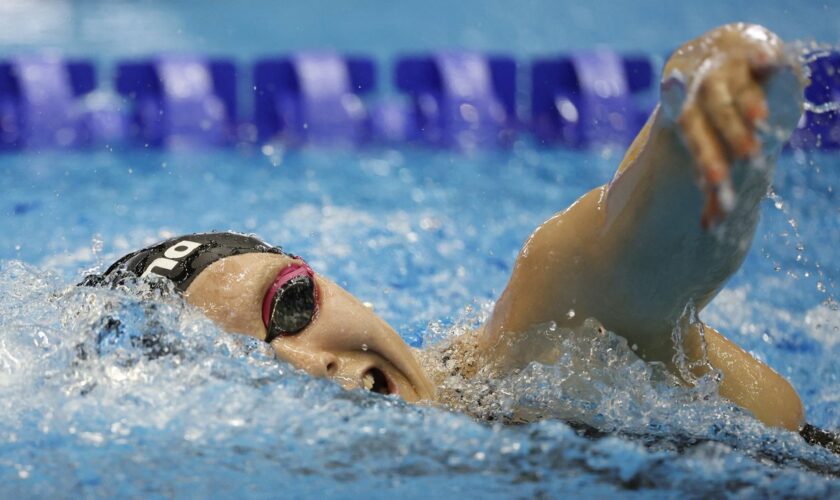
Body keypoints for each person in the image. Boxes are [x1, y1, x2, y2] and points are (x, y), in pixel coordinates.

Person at [82, 23, 835, 449]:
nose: (309, 366)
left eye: (290, 307)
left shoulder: (542, 351)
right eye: (235, 372)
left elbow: (643, 239)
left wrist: (706, 88)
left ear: (334, 280)